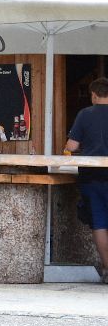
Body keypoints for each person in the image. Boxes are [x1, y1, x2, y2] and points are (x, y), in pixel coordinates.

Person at [64, 76, 108, 282]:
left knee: (99, 223)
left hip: (92, 177)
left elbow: (71, 147)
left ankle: (107, 269)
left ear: (94, 94)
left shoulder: (85, 114)